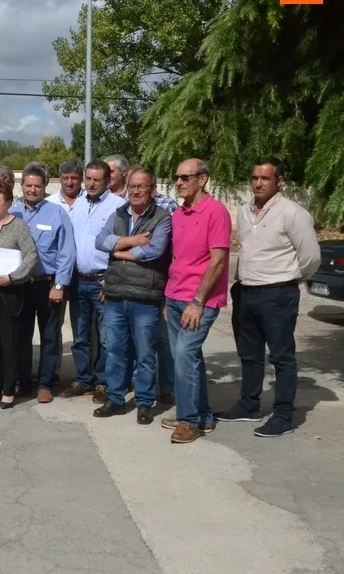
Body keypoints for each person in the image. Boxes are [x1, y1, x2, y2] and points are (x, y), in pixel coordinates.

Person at [216, 158, 320, 437]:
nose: (258, 183)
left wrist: (287, 278)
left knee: (282, 357)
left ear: (279, 181)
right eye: (254, 178)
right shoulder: (244, 210)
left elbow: (311, 257)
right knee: (249, 355)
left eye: (265, 178)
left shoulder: (293, 213)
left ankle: (284, 415)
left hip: (278, 294)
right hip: (246, 292)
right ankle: (249, 405)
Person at [93, 167, 172, 425]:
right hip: (115, 294)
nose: (136, 191)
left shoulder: (162, 217)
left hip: (145, 297)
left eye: (142, 186)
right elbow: (100, 242)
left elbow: (155, 251)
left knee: (145, 354)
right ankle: (115, 399)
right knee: (115, 351)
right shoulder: (118, 213)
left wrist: (120, 250)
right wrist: (135, 240)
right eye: (133, 186)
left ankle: (144, 403)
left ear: (153, 189)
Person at [161, 158, 232, 444]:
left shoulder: (217, 213)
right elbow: (177, 259)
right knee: (188, 359)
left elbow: (217, 262)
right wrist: (168, 298)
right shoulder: (178, 214)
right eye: (177, 177)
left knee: (185, 356)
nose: (179, 182)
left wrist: (198, 301)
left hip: (199, 301)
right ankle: (202, 416)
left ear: (202, 180)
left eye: (185, 177)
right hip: (175, 297)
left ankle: (188, 420)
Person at [10, 163, 76, 403]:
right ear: (22, 186)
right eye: (28, 185)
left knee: (49, 337)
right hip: (20, 286)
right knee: (21, 336)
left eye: (37, 185)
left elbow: (66, 252)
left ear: (45, 187)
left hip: (47, 285)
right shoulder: (13, 213)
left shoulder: (57, 213)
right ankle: (23, 382)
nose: (32, 189)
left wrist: (60, 285)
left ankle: (45, 384)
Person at [62, 160, 127, 401]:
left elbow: (122, 246)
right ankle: (83, 379)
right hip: (78, 281)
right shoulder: (77, 205)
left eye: (96, 180)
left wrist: (111, 279)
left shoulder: (119, 206)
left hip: (103, 282)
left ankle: (104, 382)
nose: (90, 184)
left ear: (108, 181)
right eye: (87, 179)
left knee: (107, 337)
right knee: (80, 336)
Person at [0, 183, 37, 408]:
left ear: (8, 203)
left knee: (9, 342)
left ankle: (9, 389)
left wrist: (13, 277)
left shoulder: (19, 226)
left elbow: (31, 256)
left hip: (10, 290)